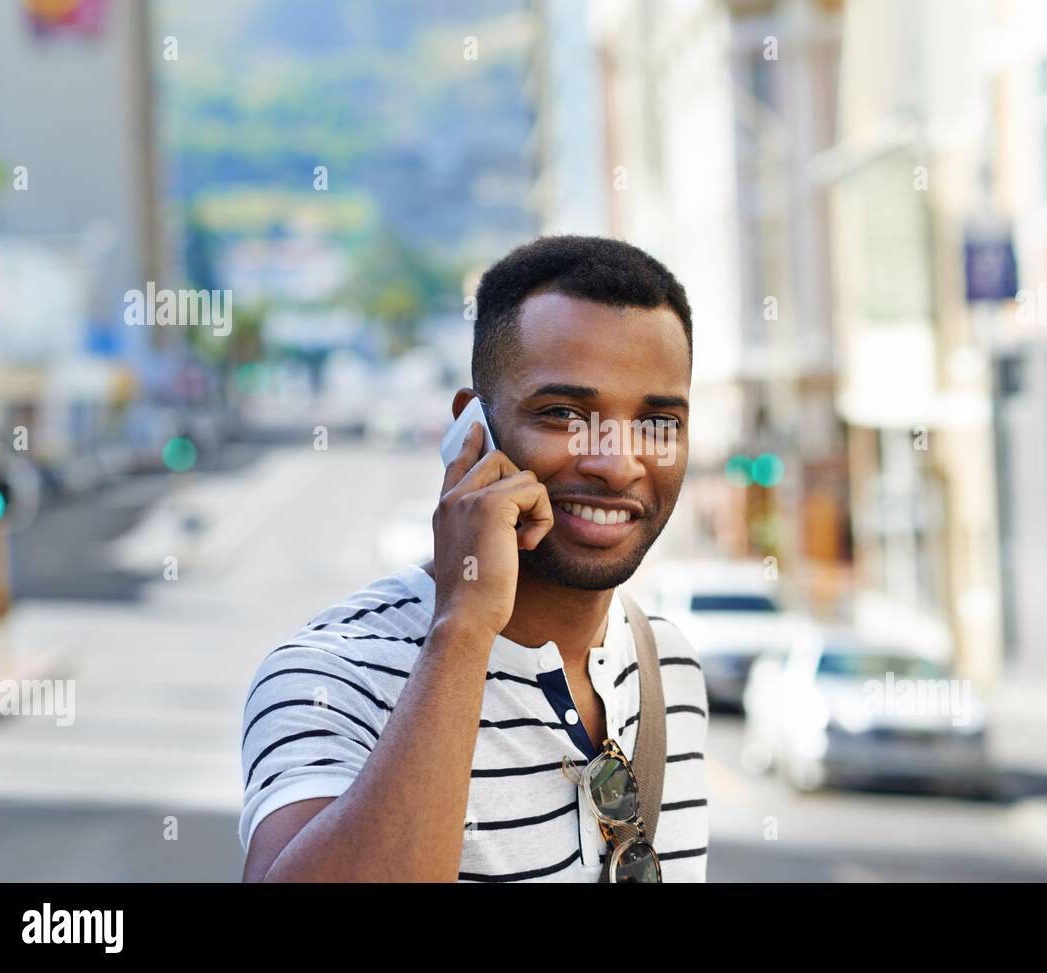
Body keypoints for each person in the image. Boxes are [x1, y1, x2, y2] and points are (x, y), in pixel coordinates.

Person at [238, 235, 709, 882]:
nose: (618, 462)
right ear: (470, 429)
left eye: (657, 423)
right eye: (565, 412)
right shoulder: (332, 677)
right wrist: (463, 625)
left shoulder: (671, 668)